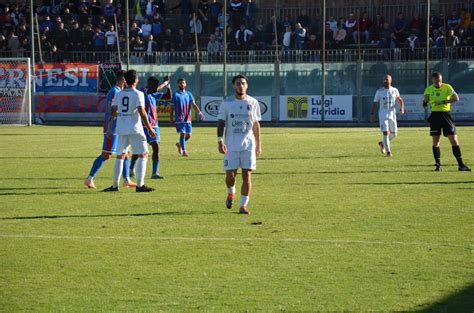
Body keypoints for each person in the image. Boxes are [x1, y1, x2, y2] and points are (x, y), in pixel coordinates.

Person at [103, 69, 157, 192]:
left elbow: (112, 111)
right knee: (144, 154)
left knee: (120, 156)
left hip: (121, 127)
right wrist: (149, 128)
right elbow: (142, 112)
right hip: (135, 128)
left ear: (126, 80)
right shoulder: (138, 94)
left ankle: (114, 186)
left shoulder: (119, 94)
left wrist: (110, 128)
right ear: (136, 80)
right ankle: (140, 185)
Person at [217, 74, 261, 214]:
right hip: (231, 145)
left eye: (243, 83)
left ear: (246, 85)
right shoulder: (227, 103)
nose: (240, 86)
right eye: (238, 83)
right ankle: (231, 193)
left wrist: (259, 145)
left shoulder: (253, 102)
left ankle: (243, 205)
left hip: (248, 145)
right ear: (233, 86)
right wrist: (220, 141)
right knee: (230, 177)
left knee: (247, 175)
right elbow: (221, 123)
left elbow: (256, 125)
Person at [84, 70, 137, 189]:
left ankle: (127, 180)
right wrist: (125, 113)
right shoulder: (115, 91)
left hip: (119, 128)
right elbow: (111, 109)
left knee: (126, 153)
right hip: (112, 128)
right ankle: (89, 178)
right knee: (106, 154)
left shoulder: (118, 91)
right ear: (124, 80)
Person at [423, 72, 471, 171]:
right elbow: (424, 103)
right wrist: (425, 103)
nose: (438, 83)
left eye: (439, 81)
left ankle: (461, 165)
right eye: (436, 82)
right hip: (435, 116)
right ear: (433, 80)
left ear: (441, 79)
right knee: (436, 142)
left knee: (454, 140)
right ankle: (438, 165)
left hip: (446, 115)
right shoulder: (428, 89)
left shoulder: (447, 87)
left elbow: (456, 98)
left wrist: (443, 101)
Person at [130, 76, 171, 179]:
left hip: (154, 125)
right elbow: (155, 89)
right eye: (154, 85)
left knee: (156, 147)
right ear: (150, 84)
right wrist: (165, 83)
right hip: (143, 124)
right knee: (140, 149)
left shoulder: (153, 94)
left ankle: (154, 173)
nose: (155, 87)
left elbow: (168, 96)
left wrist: (168, 85)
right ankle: (131, 167)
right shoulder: (144, 91)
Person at [370, 75, 404, 157]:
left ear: (391, 81)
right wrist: (372, 114)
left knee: (394, 134)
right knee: (385, 133)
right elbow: (375, 103)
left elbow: (400, 100)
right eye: (384, 80)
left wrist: (402, 109)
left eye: (387, 79)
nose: (385, 81)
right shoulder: (379, 91)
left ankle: (382, 143)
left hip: (392, 114)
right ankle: (389, 152)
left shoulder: (395, 90)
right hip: (383, 114)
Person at [170, 78, 205, 157]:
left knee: (188, 135)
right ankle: (184, 151)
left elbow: (194, 105)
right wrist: (171, 118)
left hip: (187, 118)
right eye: (180, 83)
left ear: (185, 84)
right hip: (179, 118)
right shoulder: (175, 95)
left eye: (183, 83)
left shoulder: (189, 94)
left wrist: (200, 113)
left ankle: (180, 144)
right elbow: (172, 107)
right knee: (183, 134)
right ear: (178, 85)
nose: (181, 84)